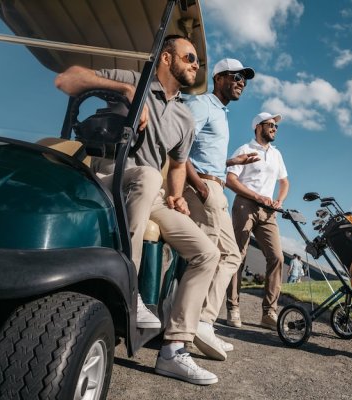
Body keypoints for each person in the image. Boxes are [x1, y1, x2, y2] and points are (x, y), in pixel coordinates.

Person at [55, 35, 220, 385]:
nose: (195, 65)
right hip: (106, 173)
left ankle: (174, 350)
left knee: (207, 252)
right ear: (165, 58)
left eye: (197, 62)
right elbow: (66, 80)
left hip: (151, 192)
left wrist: (177, 197)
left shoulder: (185, 118)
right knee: (145, 175)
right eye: (190, 57)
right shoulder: (132, 80)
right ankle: (129, 291)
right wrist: (124, 91)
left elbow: (177, 165)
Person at [183, 58, 257, 351]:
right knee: (216, 256)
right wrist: (199, 186)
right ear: (219, 77)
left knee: (230, 257)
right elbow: (179, 147)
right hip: (204, 187)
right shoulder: (202, 104)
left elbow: (205, 152)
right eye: (236, 76)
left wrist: (231, 162)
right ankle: (196, 325)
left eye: (244, 79)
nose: (241, 82)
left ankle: (202, 322)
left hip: (214, 186)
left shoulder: (221, 113)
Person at [226, 112, 290, 330]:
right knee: (238, 255)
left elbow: (284, 181)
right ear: (258, 127)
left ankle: (269, 312)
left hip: (268, 211)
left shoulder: (276, 154)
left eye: (276, 126)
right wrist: (256, 196)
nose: (274, 128)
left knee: (277, 257)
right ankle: (233, 307)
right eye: (270, 124)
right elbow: (230, 180)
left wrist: (279, 200)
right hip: (245, 205)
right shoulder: (244, 150)